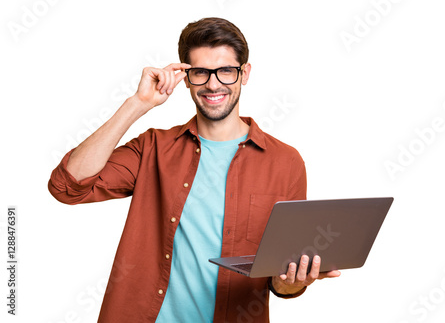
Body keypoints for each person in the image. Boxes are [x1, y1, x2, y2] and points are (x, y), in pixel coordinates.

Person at [48, 17, 340, 322]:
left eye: (226, 71)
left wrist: (290, 282)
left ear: (245, 73)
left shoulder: (285, 162)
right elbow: (68, 186)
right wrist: (138, 104)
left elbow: (282, 278)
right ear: (185, 77)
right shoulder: (154, 148)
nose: (213, 84)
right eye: (201, 72)